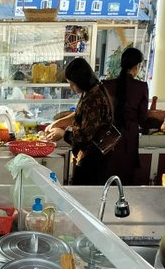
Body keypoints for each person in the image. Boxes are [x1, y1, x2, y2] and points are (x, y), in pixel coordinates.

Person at [43, 57, 113, 185]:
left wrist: (63, 133)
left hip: (94, 159)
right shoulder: (90, 92)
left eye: (72, 83)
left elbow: (85, 136)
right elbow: (79, 114)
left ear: (81, 80)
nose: (71, 87)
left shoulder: (95, 98)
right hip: (87, 156)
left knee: (85, 195)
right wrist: (58, 123)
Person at [102, 47, 149, 185]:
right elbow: (142, 118)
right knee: (124, 180)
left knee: (106, 176)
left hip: (108, 137)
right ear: (137, 66)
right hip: (129, 137)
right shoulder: (141, 87)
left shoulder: (107, 84)